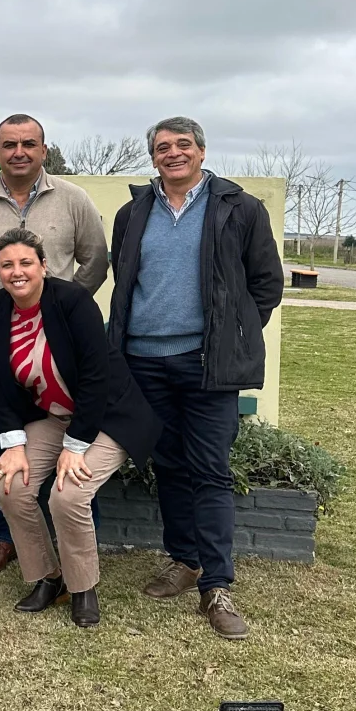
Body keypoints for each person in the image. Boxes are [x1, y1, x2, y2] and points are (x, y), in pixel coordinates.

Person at [108, 117, 283, 639]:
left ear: (202, 151)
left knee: (210, 469)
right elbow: (126, 278)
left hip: (208, 365)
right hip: (145, 362)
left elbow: (265, 284)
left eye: (183, 145)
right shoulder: (133, 211)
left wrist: (230, 335)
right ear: (154, 158)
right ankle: (184, 561)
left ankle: (218, 585)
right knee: (170, 465)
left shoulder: (239, 208)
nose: (173, 154)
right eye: (163, 147)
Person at [0, 112, 109, 574]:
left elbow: (95, 261)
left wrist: (62, 314)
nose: (19, 151)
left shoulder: (74, 200)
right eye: (8, 144)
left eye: (28, 143)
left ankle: (76, 539)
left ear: (43, 149)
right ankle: (3, 536)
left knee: (72, 451)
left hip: (60, 357)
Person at [0, 229, 160, 628]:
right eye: (7, 264)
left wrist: (75, 446)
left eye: (26, 262)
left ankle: (82, 587)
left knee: (69, 494)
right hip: (53, 416)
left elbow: (97, 379)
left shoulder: (71, 301)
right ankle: (49, 578)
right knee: (10, 485)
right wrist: (13, 443)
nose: (17, 272)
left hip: (107, 417)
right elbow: (0, 379)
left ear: (43, 266)